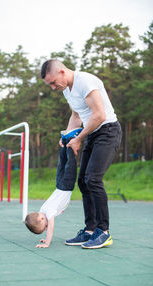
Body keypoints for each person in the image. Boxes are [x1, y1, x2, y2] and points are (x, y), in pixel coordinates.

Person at [41, 59, 122, 249]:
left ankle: (103, 231)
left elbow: (99, 115)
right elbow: (76, 116)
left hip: (108, 131)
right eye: (49, 85)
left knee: (93, 179)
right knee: (83, 181)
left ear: (62, 71)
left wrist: (78, 139)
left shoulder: (85, 82)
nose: (53, 88)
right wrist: (68, 136)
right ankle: (90, 230)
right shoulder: (67, 90)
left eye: (53, 82)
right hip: (92, 133)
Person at [25, 128, 82, 248]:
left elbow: (51, 227)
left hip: (66, 185)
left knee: (70, 163)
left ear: (41, 218)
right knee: (62, 163)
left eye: (44, 226)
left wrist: (47, 242)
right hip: (59, 184)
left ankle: (71, 139)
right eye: (45, 228)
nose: (46, 227)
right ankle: (65, 139)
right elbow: (45, 223)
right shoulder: (43, 208)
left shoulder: (48, 212)